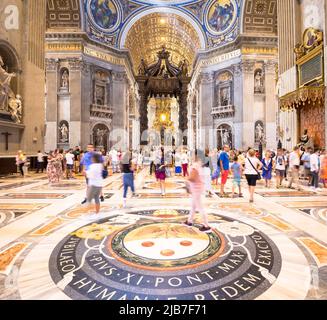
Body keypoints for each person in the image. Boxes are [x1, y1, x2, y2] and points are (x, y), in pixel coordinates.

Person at [184, 151, 211, 233]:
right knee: (193, 206)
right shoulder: (199, 164)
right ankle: (189, 221)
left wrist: (186, 179)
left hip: (196, 189)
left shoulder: (196, 165)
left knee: (200, 208)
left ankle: (206, 226)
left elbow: (193, 178)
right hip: (196, 188)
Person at [85, 153, 104, 218]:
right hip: (99, 185)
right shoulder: (100, 165)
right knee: (96, 199)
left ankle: (88, 215)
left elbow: (90, 175)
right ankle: (97, 213)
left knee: (88, 200)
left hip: (93, 185)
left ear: (94, 159)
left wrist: (85, 173)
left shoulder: (92, 166)